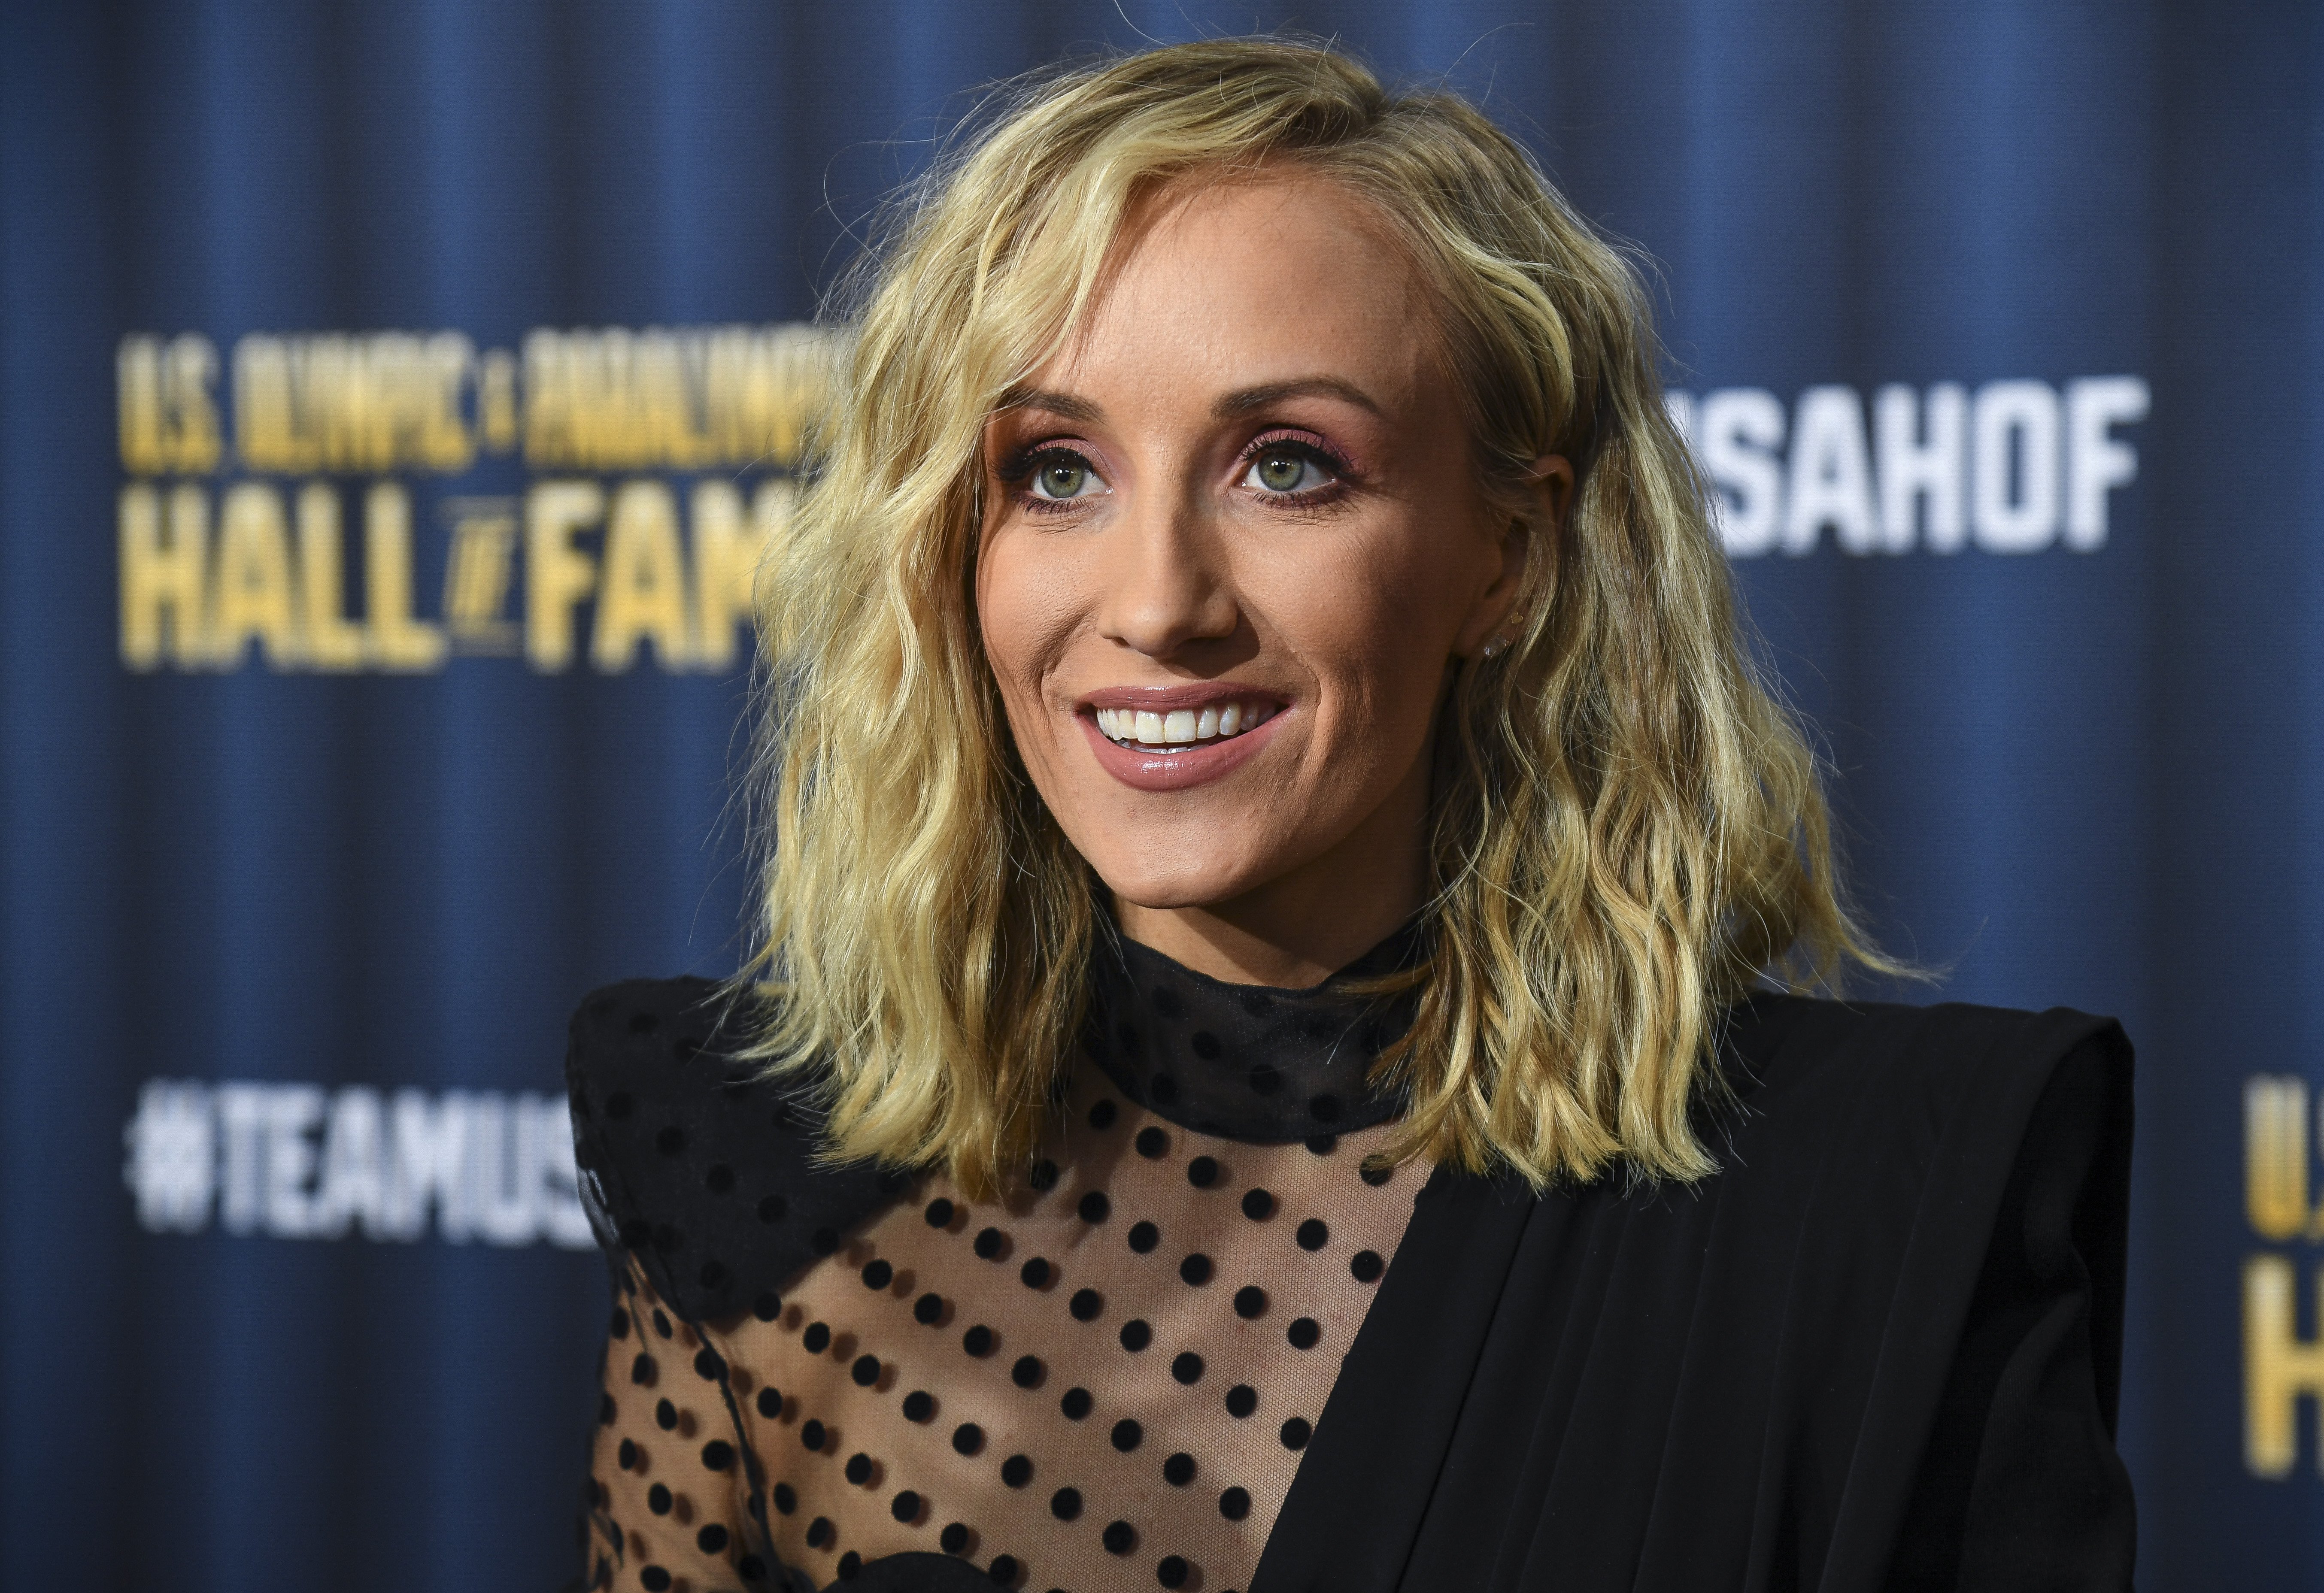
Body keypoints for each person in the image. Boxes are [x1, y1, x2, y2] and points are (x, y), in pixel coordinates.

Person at [568, 36, 2134, 1593]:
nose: (1158, 602)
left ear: (1511, 556)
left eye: (1288, 467)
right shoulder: (746, 1168)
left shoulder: (1873, 1218)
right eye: (1056, 474)